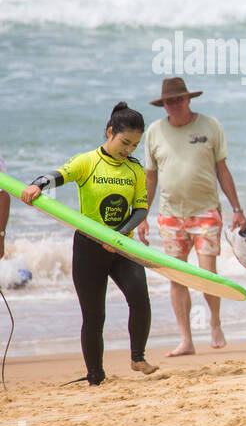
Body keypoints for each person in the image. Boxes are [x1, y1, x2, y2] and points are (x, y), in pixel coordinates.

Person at [21, 103, 156, 384]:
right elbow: (59, 175)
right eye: (124, 142)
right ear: (110, 132)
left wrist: (120, 235)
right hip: (89, 247)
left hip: (122, 246)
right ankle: (95, 375)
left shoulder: (135, 170)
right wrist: (37, 185)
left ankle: (137, 357)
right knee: (94, 315)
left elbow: (141, 209)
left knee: (140, 299)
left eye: (134, 145)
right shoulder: (88, 161)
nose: (128, 150)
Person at [138, 77, 246, 356]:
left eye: (178, 99)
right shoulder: (154, 132)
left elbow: (223, 169)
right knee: (177, 277)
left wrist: (237, 208)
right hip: (170, 215)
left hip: (206, 212)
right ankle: (186, 339)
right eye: (168, 101)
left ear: (188, 100)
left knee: (207, 273)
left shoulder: (210, 126)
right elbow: (150, 177)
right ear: (163, 104)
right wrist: (142, 215)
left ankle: (215, 323)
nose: (173, 105)